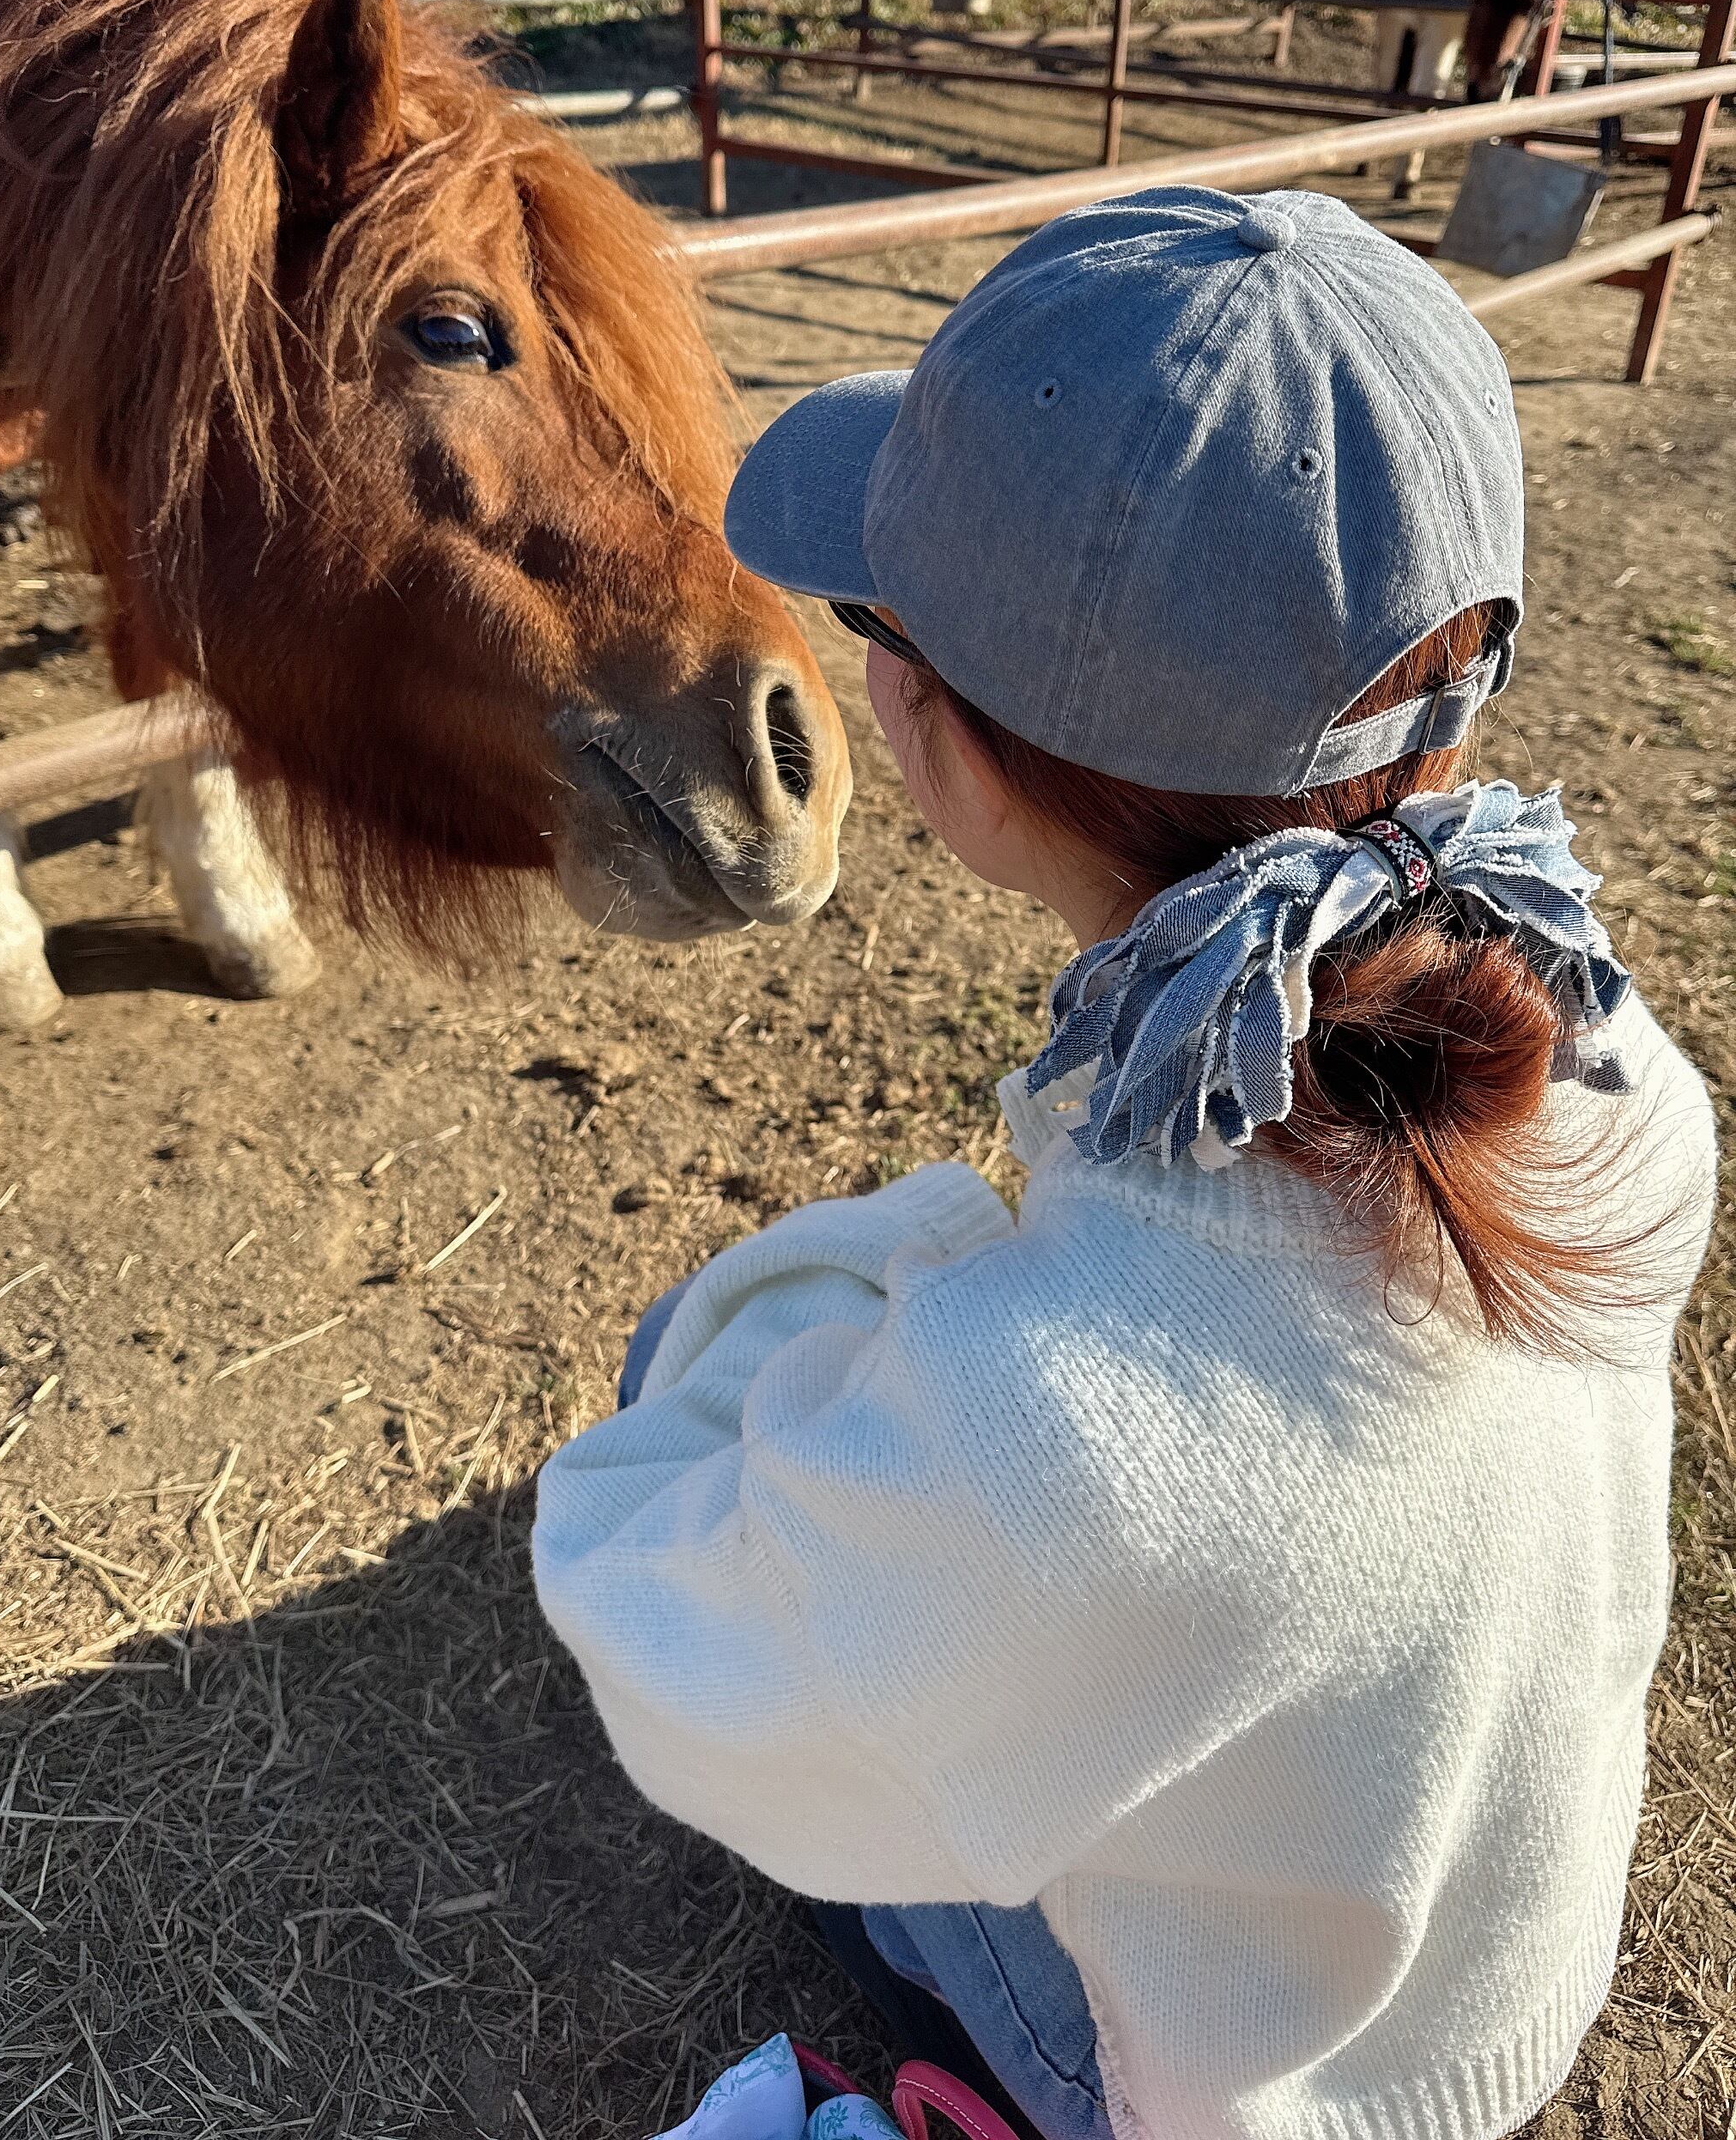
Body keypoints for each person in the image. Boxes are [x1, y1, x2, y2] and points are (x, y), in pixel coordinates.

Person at [532, 188, 1716, 2140]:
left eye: (876, 625)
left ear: (948, 739)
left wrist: (920, 1250)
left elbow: (660, 1632)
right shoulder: (1608, 1051)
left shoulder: (1061, 1413)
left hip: (1240, 2092)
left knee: (687, 1357)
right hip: (1497, 1995)